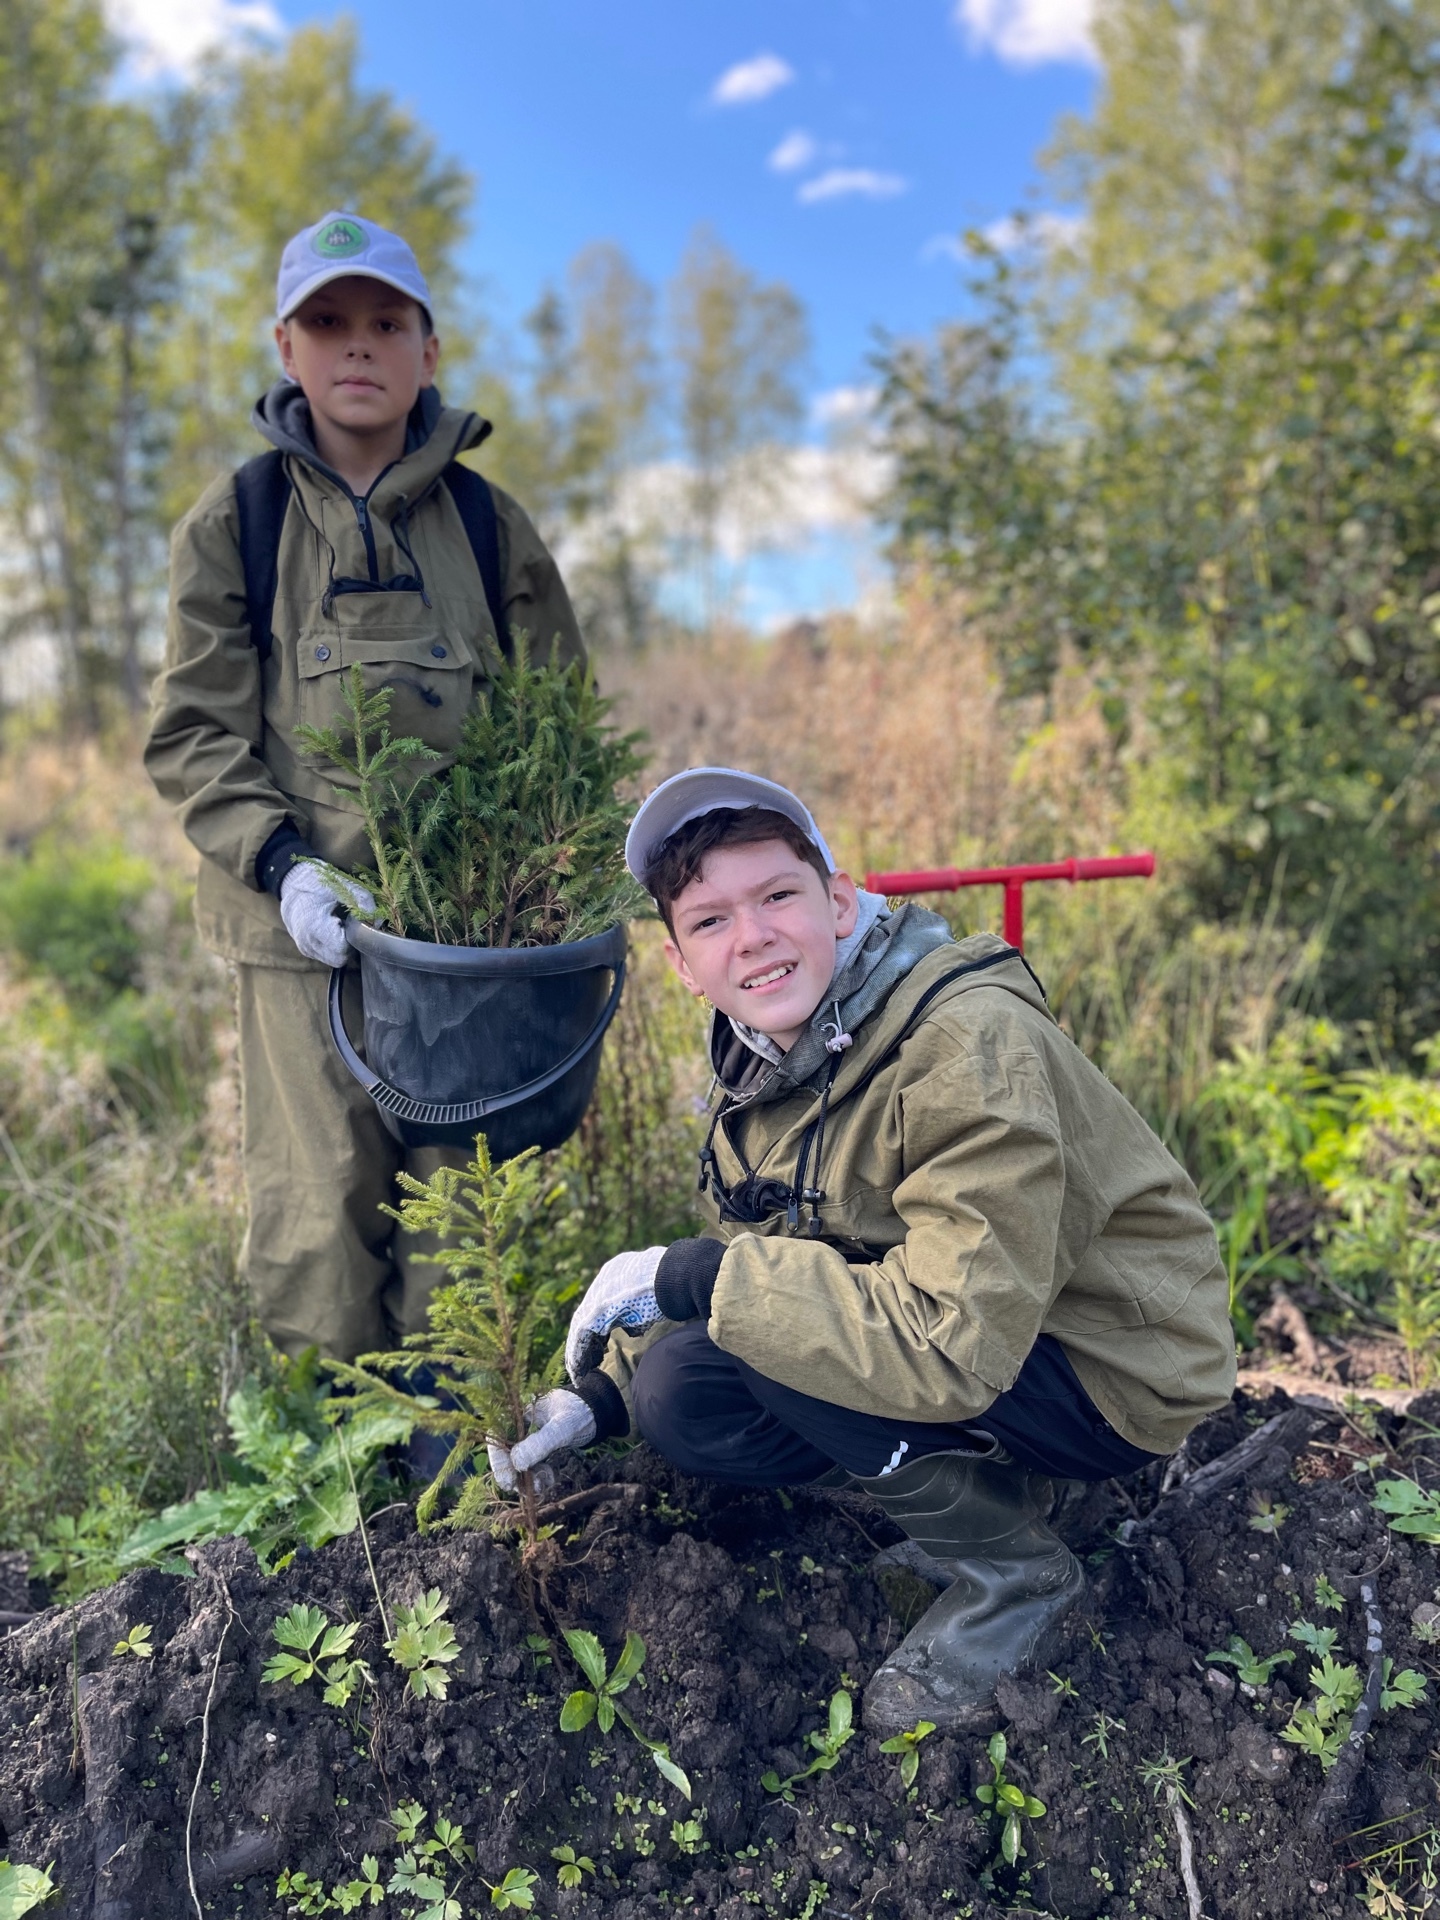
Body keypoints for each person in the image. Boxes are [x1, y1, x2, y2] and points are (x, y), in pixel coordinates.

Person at [490, 767, 1235, 1732]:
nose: (751, 936)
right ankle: (997, 1489)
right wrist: (599, 1399)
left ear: (839, 903)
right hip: (998, 1341)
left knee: (779, 1334)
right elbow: (775, 1248)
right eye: (711, 921)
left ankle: (1016, 1576)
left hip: (1114, 1365)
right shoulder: (767, 1057)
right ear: (681, 964)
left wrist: (695, 1275)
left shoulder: (964, 1044)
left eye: (776, 896)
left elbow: (946, 1339)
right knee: (681, 1389)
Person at [145, 211, 583, 1374]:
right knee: (316, 1213)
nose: (358, 346)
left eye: (387, 322)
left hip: (463, 954)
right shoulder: (233, 525)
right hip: (302, 947)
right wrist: (286, 870)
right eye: (327, 322)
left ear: (428, 352)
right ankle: (340, 1497)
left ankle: (464, 1470)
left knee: (463, 1214)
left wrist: (544, 905)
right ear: (284, 348)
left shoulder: (492, 527)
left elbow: (559, 734)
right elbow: (194, 735)